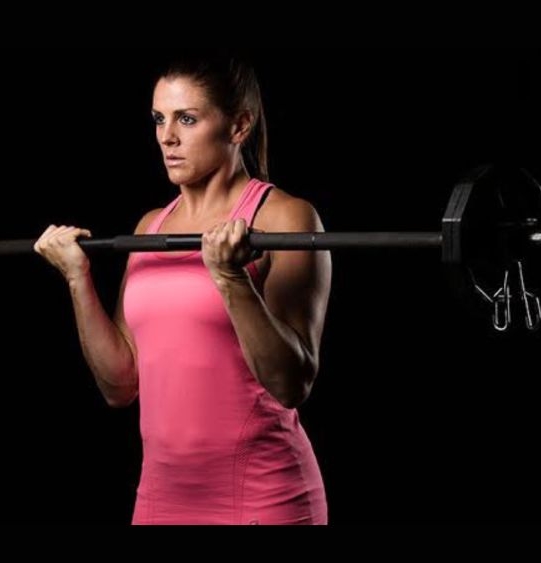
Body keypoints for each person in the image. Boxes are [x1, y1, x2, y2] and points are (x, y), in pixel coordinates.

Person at [34, 53, 332, 525]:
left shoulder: (284, 218)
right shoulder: (150, 227)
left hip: (261, 495)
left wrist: (231, 279)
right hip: (161, 498)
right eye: (159, 119)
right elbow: (120, 384)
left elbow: (292, 383)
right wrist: (77, 278)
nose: (166, 137)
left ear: (239, 125)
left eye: (187, 119)